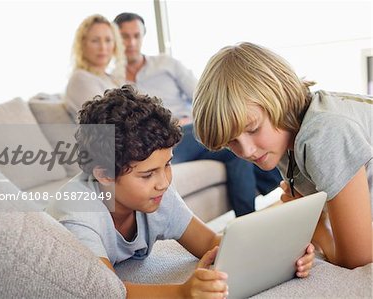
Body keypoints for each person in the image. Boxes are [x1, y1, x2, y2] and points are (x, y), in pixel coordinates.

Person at [46, 85, 315, 297]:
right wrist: (183, 293)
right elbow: (105, 292)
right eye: (147, 174)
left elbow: (209, 244)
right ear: (104, 175)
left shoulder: (156, 193)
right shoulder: (79, 214)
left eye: (167, 165)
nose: (163, 182)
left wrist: (280, 256)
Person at [192, 42, 373, 269]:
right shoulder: (284, 140)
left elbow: (357, 260)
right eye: (232, 142)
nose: (247, 151)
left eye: (253, 129)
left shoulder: (324, 132)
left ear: (279, 99)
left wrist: (319, 231)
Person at [113, 12, 282, 216]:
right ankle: (264, 199)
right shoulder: (112, 79)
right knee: (234, 150)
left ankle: (249, 219)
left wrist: (195, 119)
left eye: (136, 35)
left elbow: (204, 98)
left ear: (143, 37)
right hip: (154, 143)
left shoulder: (166, 64)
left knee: (234, 147)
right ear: (116, 39)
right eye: (124, 36)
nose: (131, 42)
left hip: (188, 130)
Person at [63, 14, 125, 115]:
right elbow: (104, 118)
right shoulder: (80, 78)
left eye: (108, 40)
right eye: (95, 41)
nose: (103, 47)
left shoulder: (113, 79)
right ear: (82, 44)